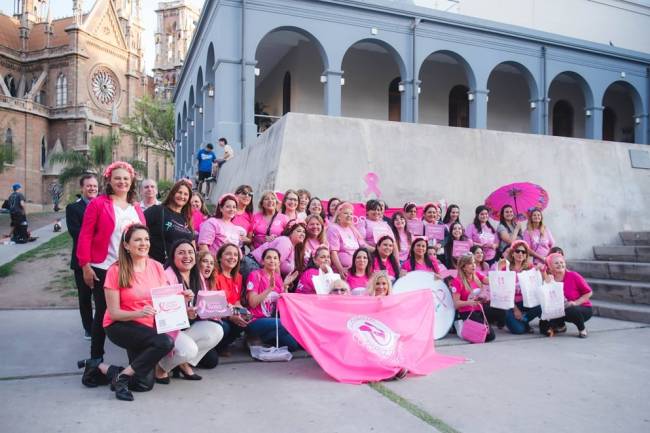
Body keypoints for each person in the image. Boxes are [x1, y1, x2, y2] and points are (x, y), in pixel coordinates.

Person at [81, 224, 175, 401]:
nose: (144, 243)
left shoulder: (156, 266)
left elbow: (164, 297)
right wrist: (140, 313)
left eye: (146, 239)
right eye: (138, 239)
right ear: (126, 245)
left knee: (143, 384)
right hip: (120, 325)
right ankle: (123, 378)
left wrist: (181, 297)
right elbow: (114, 313)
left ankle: (100, 368)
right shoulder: (115, 271)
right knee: (165, 342)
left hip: (146, 326)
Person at [77, 161, 146, 366]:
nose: (122, 182)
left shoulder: (136, 208)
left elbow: (143, 238)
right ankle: (96, 357)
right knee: (104, 312)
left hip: (131, 268)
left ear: (131, 181)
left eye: (125, 178)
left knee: (132, 311)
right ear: (109, 180)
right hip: (104, 267)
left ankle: (136, 359)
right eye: (117, 178)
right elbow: (85, 235)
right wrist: (85, 265)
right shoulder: (99, 204)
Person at [161, 240, 225, 377]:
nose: (187, 256)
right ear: (173, 257)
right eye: (181, 253)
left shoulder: (197, 275)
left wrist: (222, 308)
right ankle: (161, 368)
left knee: (217, 330)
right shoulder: (166, 276)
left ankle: (183, 363)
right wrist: (183, 310)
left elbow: (202, 306)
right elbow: (163, 317)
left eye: (190, 252)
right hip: (169, 330)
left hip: (188, 324)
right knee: (189, 350)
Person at [245, 248, 300, 351]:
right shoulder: (255, 275)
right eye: (268, 257)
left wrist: (285, 287)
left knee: (292, 345)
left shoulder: (277, 278)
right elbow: (252, 303)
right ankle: (252, 336)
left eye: (275, 258)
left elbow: (282, 306)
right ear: (262, 261)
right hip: (255, 320)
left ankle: (262, 340)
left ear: (279, 262)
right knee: (286, 323)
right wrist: (269, 289)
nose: (272, 260)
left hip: (271, 321)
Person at [66, 174, 99, 339]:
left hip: (102, 260)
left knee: (102, 297)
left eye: (94, 186)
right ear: (82, 188)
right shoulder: (73, 208)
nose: (92, 188)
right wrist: (100, 236)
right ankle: (88, 327)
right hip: (82, 260)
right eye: (89, 186)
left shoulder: (104, 205)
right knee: (85, 297)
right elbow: (76, 233)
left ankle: (102, 326)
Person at [493, 240, 542, 334]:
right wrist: (515, 309)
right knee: (519, 330)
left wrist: (542, 270)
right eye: (517, 251)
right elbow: (501, 290)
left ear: (526, 255)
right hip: (510, 304)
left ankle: (524, 320)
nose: (520, 253)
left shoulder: (531, 268)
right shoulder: (505, 268)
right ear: (512, 253)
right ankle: (521, 323)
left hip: (525, 302)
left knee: (541, 305)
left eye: (523, 252)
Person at [539, 253, 593, 338]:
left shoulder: (573, 275)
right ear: (550, 267)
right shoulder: (551, 279)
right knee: (543, 326)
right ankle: (561, 326)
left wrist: (576, 302)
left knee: (571, 310)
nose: (560, 264)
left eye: (562, 262)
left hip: (581, 308)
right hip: (561, 309)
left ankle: (582, 330)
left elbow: (589, 292)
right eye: (556, 263)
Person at [210, 245, 249, 355]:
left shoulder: (238, 277)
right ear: (219, 257)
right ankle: (214, 347)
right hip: (217, 315)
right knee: (225, 327)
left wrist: (243, 312)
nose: (232, 257)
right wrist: (230, 316)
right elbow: (214, 304)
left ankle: (222, 347)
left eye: (235, 254)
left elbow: (236, 301)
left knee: (244, 322)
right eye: (228, 254)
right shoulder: (214, 275)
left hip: (230, 312)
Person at [144, 180, 194, 264]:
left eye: (186, 194)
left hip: (181, 268)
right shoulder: (157, 210)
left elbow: (192, 246)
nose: (182, 196)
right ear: (173, 193)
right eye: (179, 192)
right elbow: (136, 230)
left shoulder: (187, 218)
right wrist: (145, 256)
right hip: (159, 266)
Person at [450, 254, 495, 342]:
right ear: (463, 267)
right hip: (466, 311)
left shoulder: (477, 274)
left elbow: (491, 281)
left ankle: (480, 324)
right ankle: (461, 326)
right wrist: (469, 302)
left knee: (500, 312)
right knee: (489, 336)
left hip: (479, 308)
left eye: (474, 262)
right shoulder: (457, 281)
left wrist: (500, 269)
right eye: (470, 263)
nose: (474, 265)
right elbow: (456, 304)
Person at [327, 202, 366, 279]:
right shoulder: (333, 229)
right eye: (346, 213)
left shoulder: (352, 229)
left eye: (351, 214)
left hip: (355, 271)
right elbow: (333, 252)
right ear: (339, 217)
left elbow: (363, 246)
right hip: (341, 272)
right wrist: (340, 269)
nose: (349, 216)